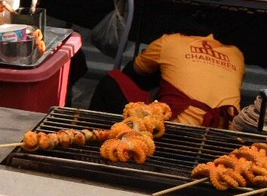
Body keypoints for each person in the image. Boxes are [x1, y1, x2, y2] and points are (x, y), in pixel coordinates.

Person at [88, 31, 245, 128]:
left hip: (177, 131)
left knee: (112, 80)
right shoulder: (236, 54)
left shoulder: (169, 41)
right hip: (225, 133)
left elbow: (133, 73)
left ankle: (93, 135)